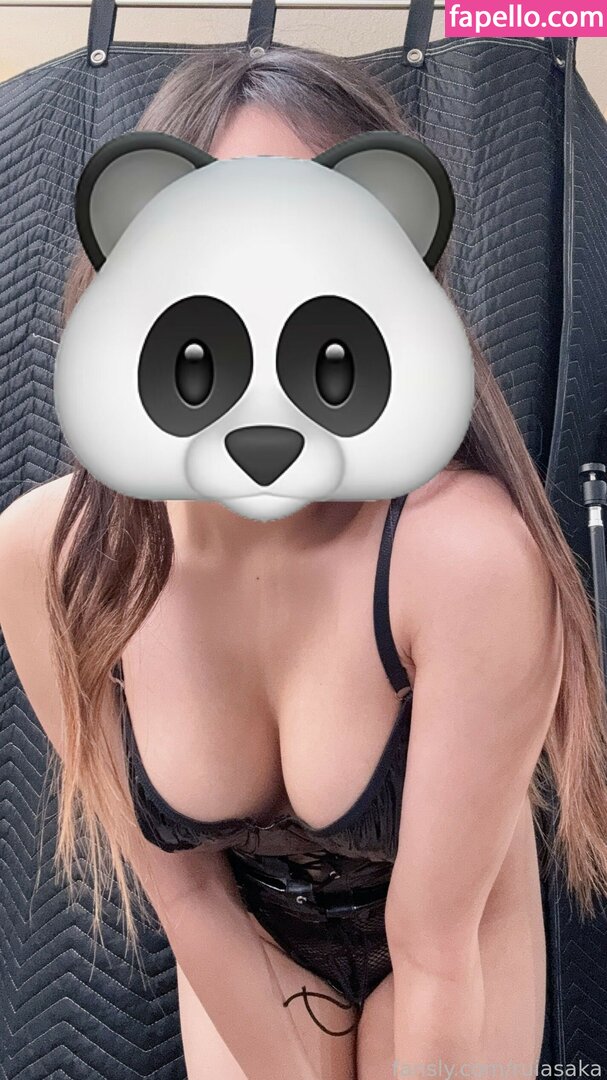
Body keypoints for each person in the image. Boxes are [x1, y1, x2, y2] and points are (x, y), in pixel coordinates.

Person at [1, 43, 606, 1080]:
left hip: (446, 939)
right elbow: (186, 895)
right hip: (249, 939)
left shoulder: (465, 557)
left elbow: (434, 950)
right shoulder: (47, 557)